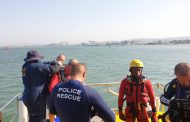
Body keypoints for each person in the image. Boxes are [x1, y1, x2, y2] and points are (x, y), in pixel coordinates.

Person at [49, 63, 115, 122]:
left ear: (71, 73)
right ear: (84, 74)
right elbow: (111, 118)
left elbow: (52, 111)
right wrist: (94, 113)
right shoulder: (90, 92)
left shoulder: (57, 88)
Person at [22, 50, 62, 122]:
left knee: (32, 117)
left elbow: (43, 64)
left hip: (27, 96)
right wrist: (58, 63)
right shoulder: (38, 66)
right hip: (36, 98)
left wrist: (52, 62)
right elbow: (54, 69)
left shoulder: (25, 66)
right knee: (39, 118)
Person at [48, 54, 66, 122]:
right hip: (50, 91)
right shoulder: (51, 65)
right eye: (60, 59)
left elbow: (64, 79)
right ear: (57, 58)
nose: (61, 61)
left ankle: (57, 120)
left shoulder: (63, 68)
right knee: (51, 109)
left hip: (59, 91)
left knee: (59, 109)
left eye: (63, 60)